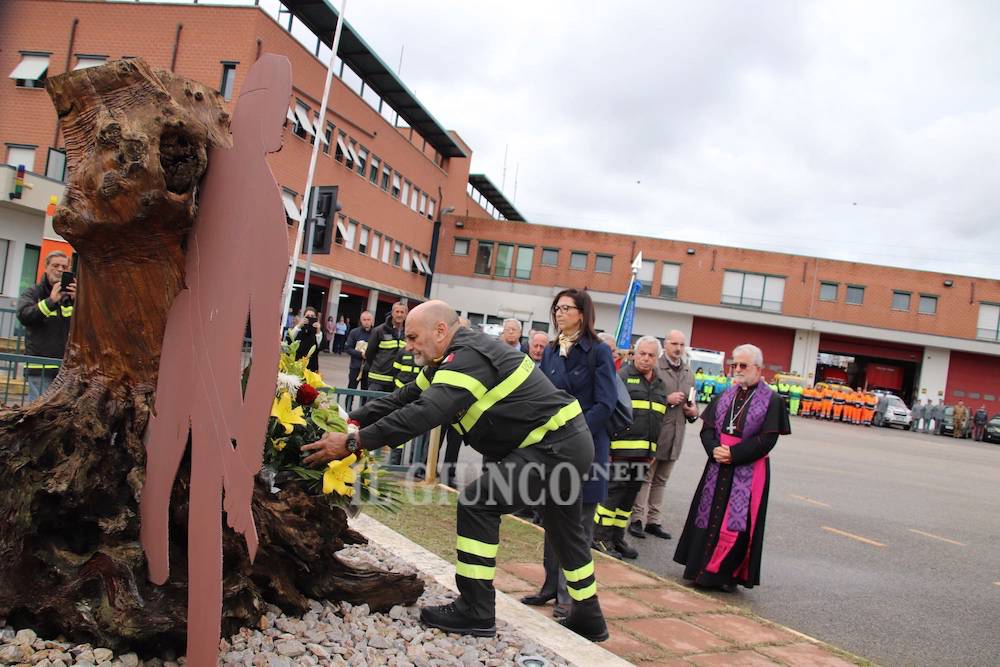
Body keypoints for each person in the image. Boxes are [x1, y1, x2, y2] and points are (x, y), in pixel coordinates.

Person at [300, 300, 609, 642]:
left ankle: (476, 610)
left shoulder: (467, 358)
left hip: (554, 446)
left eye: (414, 337)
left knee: (479, 502)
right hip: (563, 442)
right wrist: (353, 419)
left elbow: (425, 413)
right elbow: (405, 398)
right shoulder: (446, 360)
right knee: (564, 529)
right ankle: (589, 616)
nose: (409, 345)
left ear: (441, 330)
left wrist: (352, 443)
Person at [522, 288, 616, 620]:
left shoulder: (598, 352)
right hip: (553, 449)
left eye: (567, 308)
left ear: (582, 313)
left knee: (577, 525)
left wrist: (571, 432)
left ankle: (571, 597)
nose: (559, 313)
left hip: (587, 448)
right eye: (557, 308)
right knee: (552, 518)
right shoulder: (549, 351)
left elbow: (606, 404)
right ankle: (550, 585)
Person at [674, 344, 790, 592]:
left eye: (743, 365)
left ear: (758, 369)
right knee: (707, 516)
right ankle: (699, 569)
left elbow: (767, 440)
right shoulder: (725, 395)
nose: (737, 369)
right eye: (734, 364)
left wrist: (734, 454)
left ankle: (725, 576)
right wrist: (715, 449)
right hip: (718, 464)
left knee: (737, 523)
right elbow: (707, 429)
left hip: (747, 469)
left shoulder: (773, 400)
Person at [593, 336, 665, 560]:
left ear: (657, 358)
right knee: (613, 495)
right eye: (642, 353)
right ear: (634, 353)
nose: (645, 359)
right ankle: (599, 537)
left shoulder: (660, 384)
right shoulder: (621, 377)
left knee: (629, 498)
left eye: (651, 355)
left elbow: (658, 419)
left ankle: (616, 537)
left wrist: (652, 452)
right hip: (620, 452)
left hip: (644, 454)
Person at [630, 329, 698, 541]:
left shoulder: (688, 371)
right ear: (665, 344)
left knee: (661, 480)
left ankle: (654, 521)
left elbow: (693, 403)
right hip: (655, 431)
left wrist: (693, 412)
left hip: (676, 434)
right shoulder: (656, 367)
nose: (678, 348)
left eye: (681, 344)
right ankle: (637, 520)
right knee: (645, 478)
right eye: (674, 343)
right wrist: (666, 399)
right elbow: (644, 396)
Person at [16, 251, 76, 401]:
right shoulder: (33, 292)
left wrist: (78, 301)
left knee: (62, 415)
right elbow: (24, 315)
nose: (60, 269)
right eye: (55, 265)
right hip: (40, 368)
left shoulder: (73, 296)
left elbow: (87, 325)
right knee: (39, 415)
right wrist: (51, 301)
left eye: (64, 266)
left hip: (67, 369)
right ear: (46, 268)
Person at [363, 302, 408, 393]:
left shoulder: (408, 333)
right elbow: (369, 353)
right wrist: (379, 366)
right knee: (373, 406)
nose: (399, 315)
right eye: (397, 311)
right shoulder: (379, 331)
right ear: (392, 313)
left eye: (402, 312)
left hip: (397, 381)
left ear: (406, 314)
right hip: (377, 380)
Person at [286, 307, 323, 373]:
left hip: (311, 366)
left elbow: (320, 345)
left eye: (312, 316)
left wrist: (318, 330)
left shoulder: (318, 332)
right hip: (297, 364)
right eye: (307, 316)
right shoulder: (298, 329)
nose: (310, 318)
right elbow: (289, 340)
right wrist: (299, 325)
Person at [344, 311, 374, 390]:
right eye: (364, 320)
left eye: (368, 320)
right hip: (355, 367)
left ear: (372, 321)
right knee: (351, 390)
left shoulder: (376, 333)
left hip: (369, 368)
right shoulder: (354, 332)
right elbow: (348, 348)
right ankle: (348, 402)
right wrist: (361, 354)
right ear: (361, 321)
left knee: (366, 393)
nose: (367, 322)